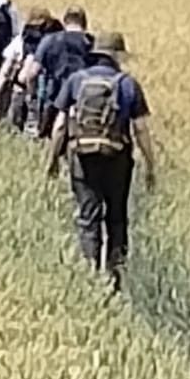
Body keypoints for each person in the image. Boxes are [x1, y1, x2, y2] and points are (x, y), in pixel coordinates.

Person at [48, 31, 157, 287]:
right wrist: (150, 165)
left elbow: (60, 125)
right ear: (117, 56)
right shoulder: (127, 83)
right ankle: (115, 277)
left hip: (82, 158)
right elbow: (140, 128)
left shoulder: (76, 80)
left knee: (88, 217)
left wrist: (53, 158)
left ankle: (90, 274)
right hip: (117, 159)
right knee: (117, 217)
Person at [23, 6, 94, 140]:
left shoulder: (49, 40)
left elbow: (32, 73)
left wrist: (32, 96)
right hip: (83, 100)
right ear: (84, 23)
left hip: (54, 99)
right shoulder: (91, 43)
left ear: (65, 21)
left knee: (47, 139)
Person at [0, 6, 58, 131]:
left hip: (23, 90)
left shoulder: (22, 40)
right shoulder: (57, 39)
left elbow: (6, 71)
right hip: (50, 94)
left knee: (17, 129)